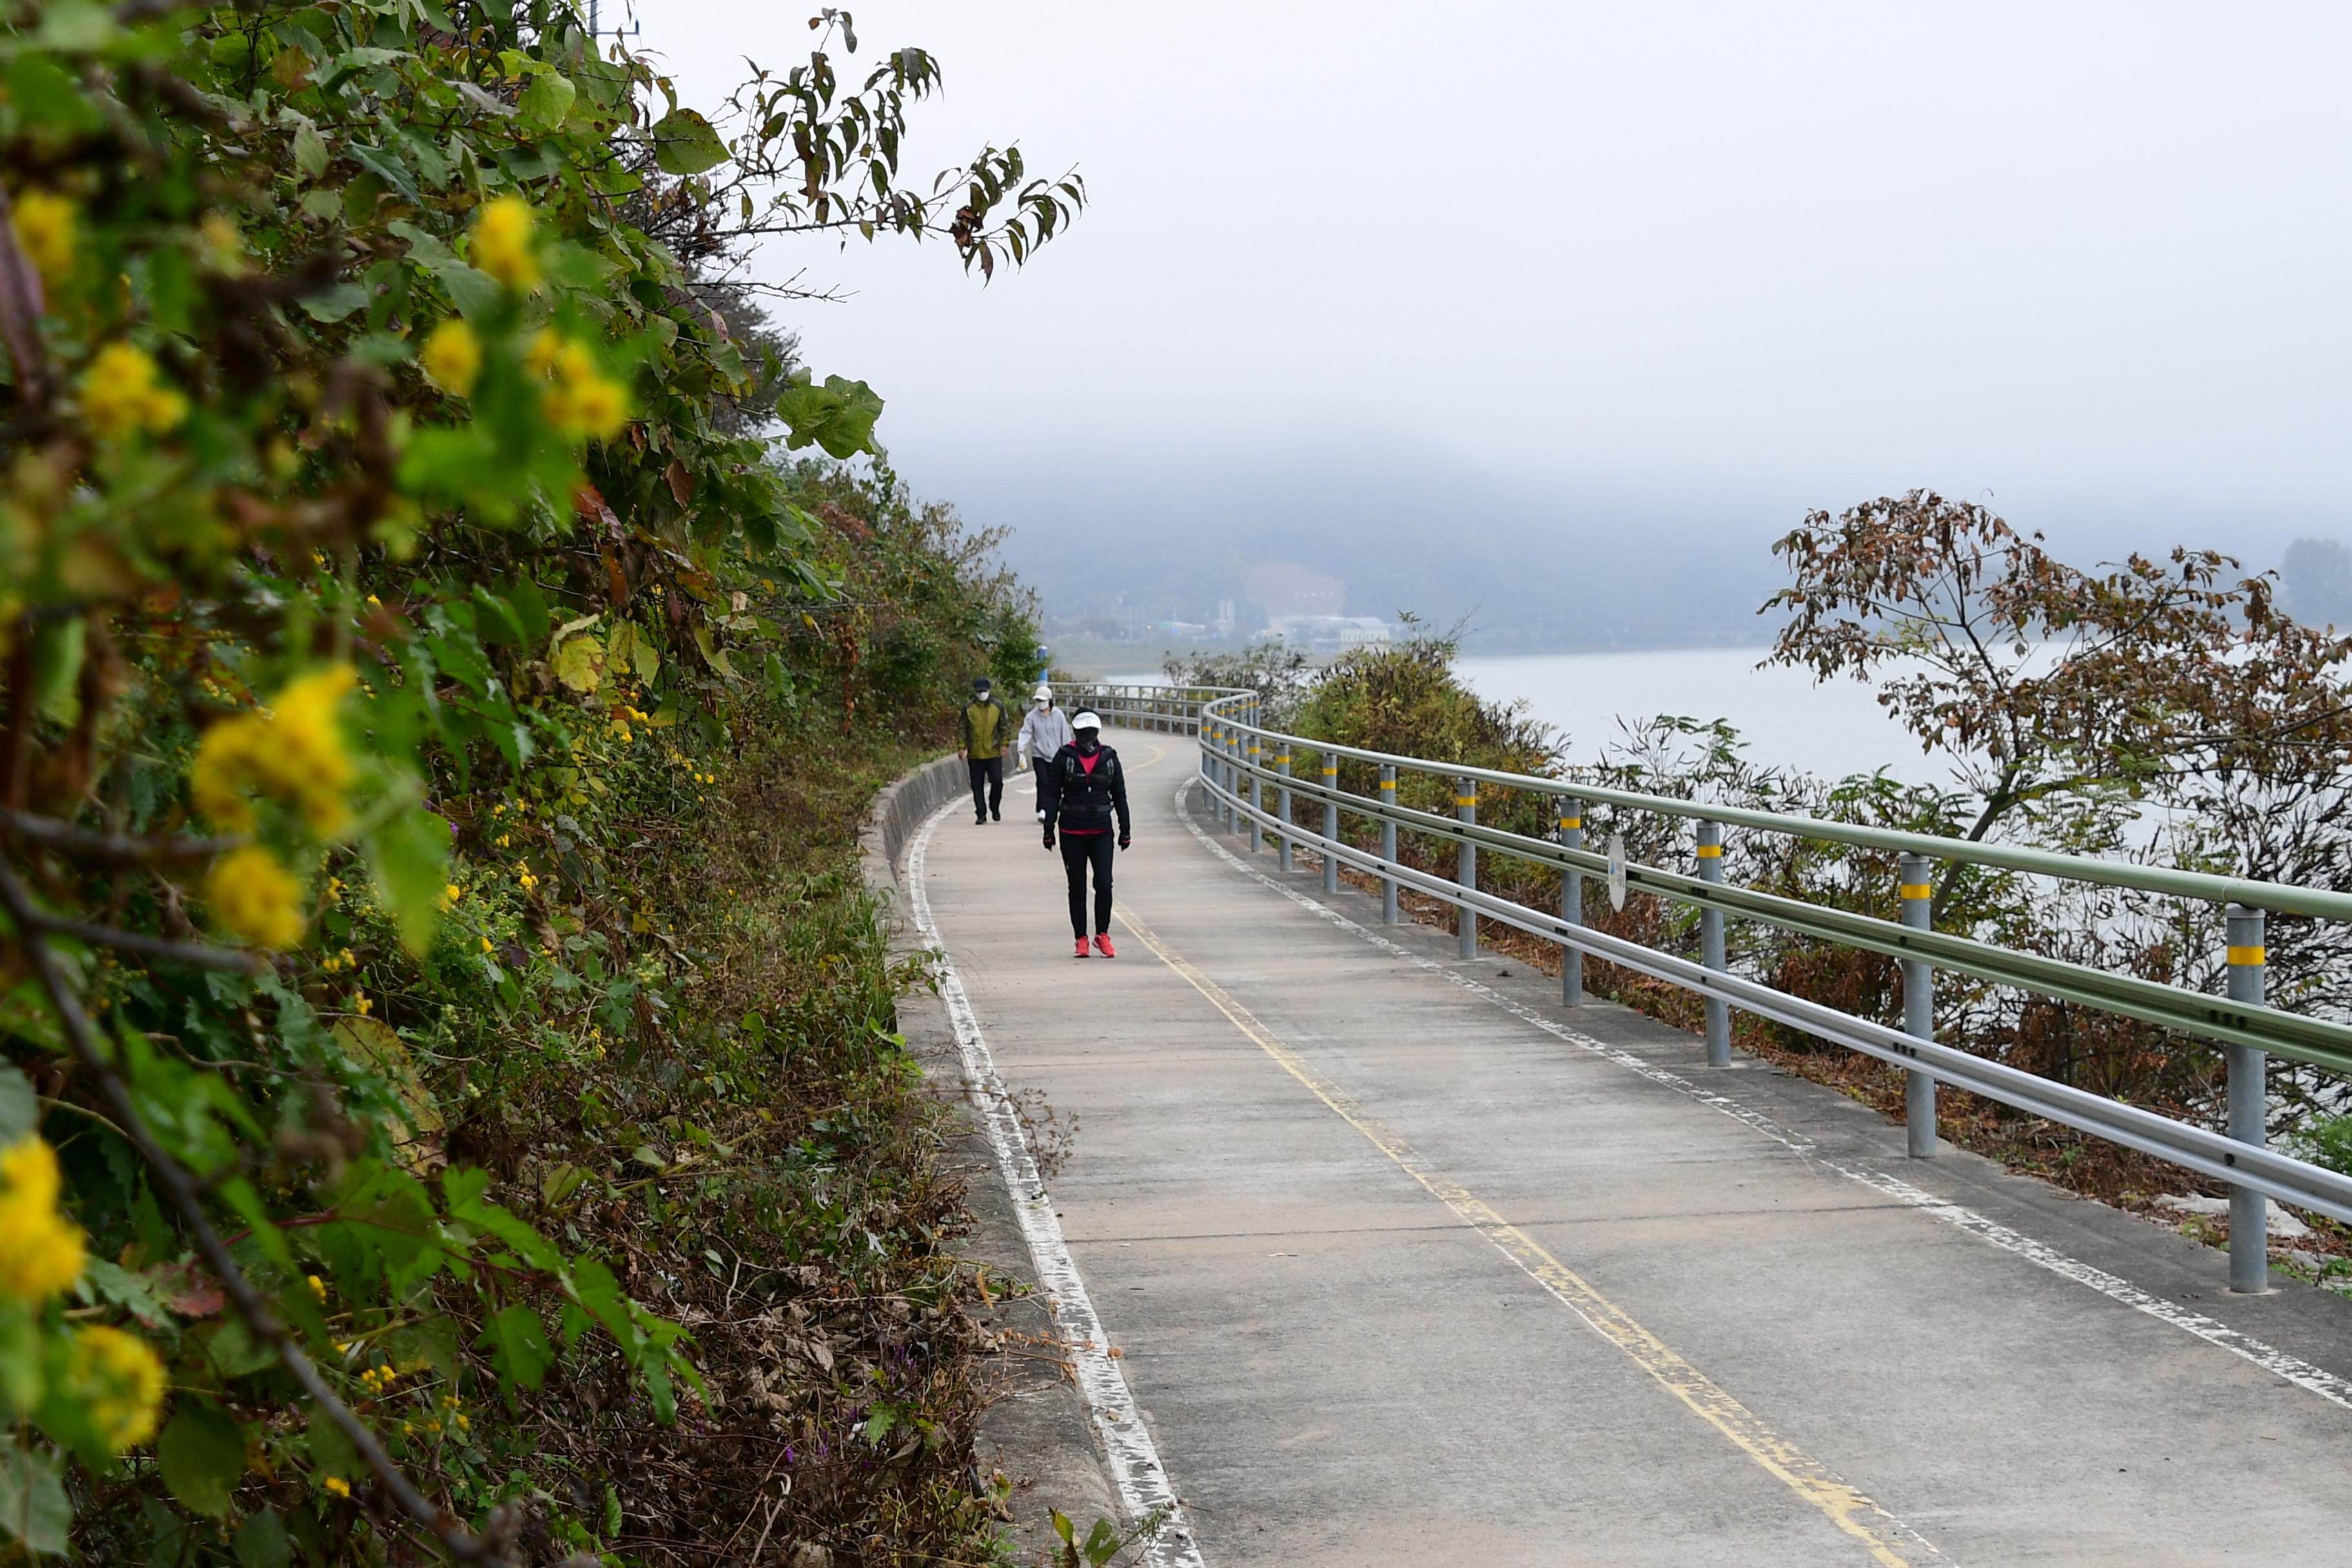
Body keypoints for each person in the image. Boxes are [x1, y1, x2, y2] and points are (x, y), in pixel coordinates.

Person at [1042, 710, 1131, 957]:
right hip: (1072, 830)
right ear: (1076, 733)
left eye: (1092, 734)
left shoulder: (1110, 758)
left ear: (1098, 734)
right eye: (1083, 734)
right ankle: (1080, 938)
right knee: (1077, 885)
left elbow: (1120, 795)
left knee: (1104, 883)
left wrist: (1126, 828)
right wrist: (1048, 828)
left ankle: (1102, 934)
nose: (1088, 739)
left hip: (1102, 830)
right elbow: (1051, 794)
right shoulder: (1064, 757)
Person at [1015, 683, 1074, 821]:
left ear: (1049, 701)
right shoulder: (1032, 716)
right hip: (1039, 755)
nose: (1040, 704)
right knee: (1043, 781)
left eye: (1042, 701)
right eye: (1038, 701)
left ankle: (1054, 807)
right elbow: (1026, 732)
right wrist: (1021, 747)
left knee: (1056, 783)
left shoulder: (1058, 715)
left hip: (1056, 755)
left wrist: (1069, 752)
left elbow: (1064, 735)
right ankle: (1042, 809)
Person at [958, 676, 1009, 824]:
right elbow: (962, 728)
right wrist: (962, 747)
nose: (982, 694)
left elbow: (1004, 726)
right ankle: (981, 813)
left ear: (989, 691)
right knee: (976, 785)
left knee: (997, 782)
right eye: (979, 692)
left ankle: (995, 806)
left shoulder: (998, 706)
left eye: (984, 691)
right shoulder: (968, 708)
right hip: (975, 754)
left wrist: (1004, 745)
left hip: (993, 752)